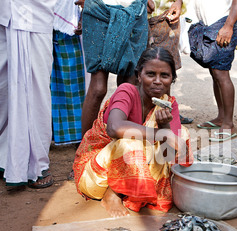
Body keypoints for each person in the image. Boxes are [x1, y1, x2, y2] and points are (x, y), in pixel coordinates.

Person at [73, 47, 193, 217]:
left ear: (172, 79)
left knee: (181, 134)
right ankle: (112, 193)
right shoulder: (127, 91)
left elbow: (168, 156)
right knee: (130, 140)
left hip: (133, 169)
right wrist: (160, 134)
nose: (157, 81)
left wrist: (165, 127)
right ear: (139, 75)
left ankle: (130, 190)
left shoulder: (168, 104)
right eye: (151, 74)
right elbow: (114, 128)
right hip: (97, 175)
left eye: (164, 75)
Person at [0, 0, 57, 189]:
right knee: (4, 89)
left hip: (34, 14)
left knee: (36, 91)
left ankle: (35, 165)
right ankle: (4, 157)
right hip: (5, 13)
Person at [80, 0, 149, 137]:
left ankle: (127, 148)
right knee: (98, 89)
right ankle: (85, 149)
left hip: (136, 11)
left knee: (129, 86)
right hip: (97, 10)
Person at [191, 0, 237, 142]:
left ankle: (228, 124)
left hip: (223, 22)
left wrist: (229, 25)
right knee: (214, 72)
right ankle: (221, 117)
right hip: (209, 23)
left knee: (221, 73)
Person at [147, 0, 194, 124]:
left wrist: (179, 2)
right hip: (140, 16)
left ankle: (167, 112)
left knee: (165, 69)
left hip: (168, 18)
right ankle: (144, 114)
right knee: (140, 70)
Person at [51, 0, 86, 146]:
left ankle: (78, 134)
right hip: (39, 21)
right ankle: (45, 134)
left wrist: (84, 15)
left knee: (72, 82)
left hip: (68, 26)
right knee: (42, 86)